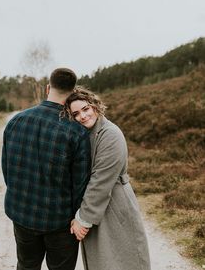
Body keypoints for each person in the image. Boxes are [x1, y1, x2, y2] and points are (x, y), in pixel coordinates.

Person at [1, 68, 91, 270]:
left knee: (26, 266)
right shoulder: (76, 132)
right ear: (72, 90)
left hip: (22, 214)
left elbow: (7, 171)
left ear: (48, 88)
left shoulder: (16, 121)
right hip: (60, 222)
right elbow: (80, 185)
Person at [65, 86, 151, 270]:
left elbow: (101, 181)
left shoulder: (110, 134)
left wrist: (83, 220)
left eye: (86, 109)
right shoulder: (84, 134)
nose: (83, 116)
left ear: (95, 106)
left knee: (122, 258)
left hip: (115, 204)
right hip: (97, 205)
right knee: (103, 261)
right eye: (76, 113)